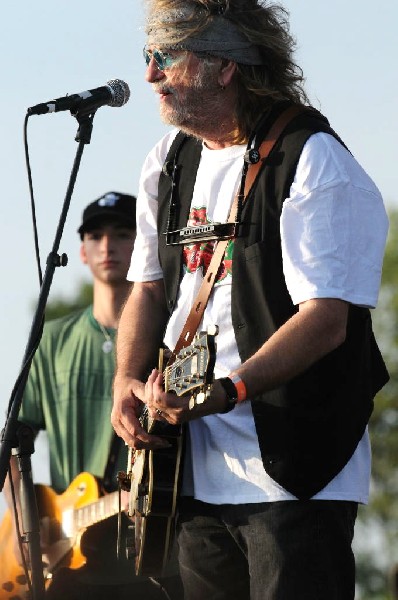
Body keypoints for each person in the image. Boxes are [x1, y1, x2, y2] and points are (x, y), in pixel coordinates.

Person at [111, 1, 390, 599]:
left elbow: (326, 321)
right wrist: (125, 381)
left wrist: (230, 390)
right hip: (188, 471)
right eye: (148, 57)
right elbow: (148, 286)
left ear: (223, 66)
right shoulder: (168, 162)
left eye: (165, 58)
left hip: (296, 474)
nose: (149, 76)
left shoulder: (313, 158)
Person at [4, 192, 182, 599]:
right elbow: (15, 443)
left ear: (143, 249)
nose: (108, 246)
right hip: (68, 560)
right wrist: (24, 526)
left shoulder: (170, 340)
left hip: (154, 552)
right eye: (96, 236)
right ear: (82, 252)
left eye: (122, 234)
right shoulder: (51, 341)